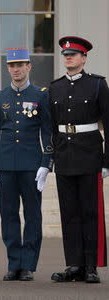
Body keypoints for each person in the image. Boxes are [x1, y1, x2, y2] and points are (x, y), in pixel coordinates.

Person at [0, 48, 53, 281]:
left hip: (31, 166)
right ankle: (14, 263)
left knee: (33, 216)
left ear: (29, 67)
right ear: (7, 68)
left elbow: (47, 131)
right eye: (12, 66)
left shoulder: (41, 95)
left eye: (20, 65)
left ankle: (28, 265)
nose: (16, 69)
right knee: (9, 215)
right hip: (5, 165)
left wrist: (46, 162)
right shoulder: (0, 96)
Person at [49, 36, 109, 284]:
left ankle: (91, 265)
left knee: (90, 212)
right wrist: (51, 157)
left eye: (73, 54)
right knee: (69, 213)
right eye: (65, 55)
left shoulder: (97, 85)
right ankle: (74, 264)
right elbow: (52, 126)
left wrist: (107, 161)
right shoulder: (55, 87)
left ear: (84, 58)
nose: (68, 58)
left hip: (89, 154)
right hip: (65, 155)